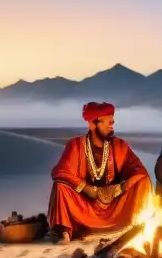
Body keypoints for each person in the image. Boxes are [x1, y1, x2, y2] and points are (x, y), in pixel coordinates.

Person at [48, 102, 152, 243]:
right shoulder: (76, 145)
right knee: (60, 186)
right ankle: (64, 231)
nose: (112, 126)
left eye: (113, 123)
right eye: (108, 123)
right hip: (85, 206)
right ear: (92, 124)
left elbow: (139, 170)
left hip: (114, 205)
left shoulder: (119, 145)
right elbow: (60, 172)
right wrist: (87, 188)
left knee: (142, 181)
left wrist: (122, 187)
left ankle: (138, 224)